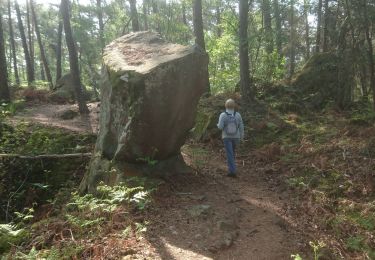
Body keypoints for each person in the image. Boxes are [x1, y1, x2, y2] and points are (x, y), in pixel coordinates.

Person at [217, 99, 244, 177]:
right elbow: (241, 126)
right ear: (234, 106)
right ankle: (232, 168)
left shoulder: (223, 115)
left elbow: (220, 127)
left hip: (227, 137)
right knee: (232, 153)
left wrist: (218, 124)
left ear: (225, 105)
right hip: (236, 137)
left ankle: (232, 171)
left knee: (229, 154)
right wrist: (242, 137)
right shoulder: (238, 115)